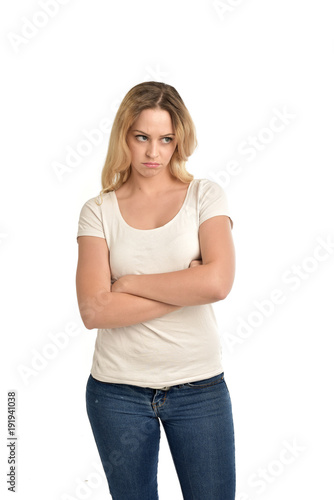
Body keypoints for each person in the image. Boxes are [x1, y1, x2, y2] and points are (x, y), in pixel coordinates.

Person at [76, 81, 236, 499]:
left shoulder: (205, 196)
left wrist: (128, 286)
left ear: (179, 140)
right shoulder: (98, 211)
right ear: (123, 137)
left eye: (166, 139)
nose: (153, 153)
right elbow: (94, 311)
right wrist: (186, 286)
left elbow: (218, 283)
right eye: (142, 137)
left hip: (199, 388)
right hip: (116, 393)